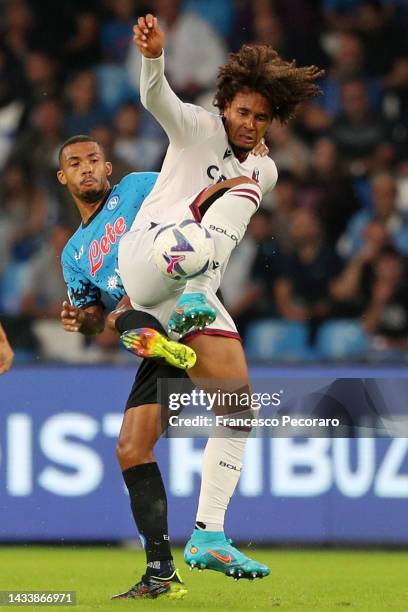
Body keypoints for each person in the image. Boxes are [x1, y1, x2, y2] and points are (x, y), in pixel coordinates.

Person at [113, 12, 324, 597]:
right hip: (149, 260)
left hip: (182, 292)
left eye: (261, 116)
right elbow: (156, 98)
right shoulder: (196, 127)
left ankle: (208, 532)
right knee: (245, 185)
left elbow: (239, 202)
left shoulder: (265, 164)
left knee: (238, 407)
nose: (250, 124)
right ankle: (195, 299)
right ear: (224, 106)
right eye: (242, 111)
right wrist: (153, 57)